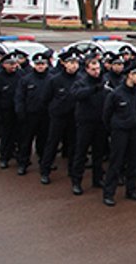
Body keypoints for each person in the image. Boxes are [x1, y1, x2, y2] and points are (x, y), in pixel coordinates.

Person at [102, 58, 136, 207]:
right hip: (120, 131)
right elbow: (106, 115)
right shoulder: (116, 94)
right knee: (116, 162)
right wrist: (114, 129)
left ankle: (131, 189)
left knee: (133, 161)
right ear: (129, 75)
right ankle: (109, 193)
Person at [69, 51, 111, 195]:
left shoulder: (104, 81)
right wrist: (94, 89)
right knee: (81, 152)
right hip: (85, 122)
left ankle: (97, 178)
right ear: (87, 69)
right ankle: (76, 181)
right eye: (93, 69)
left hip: (100, 122)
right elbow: (76, 94)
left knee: (98, 153)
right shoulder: (80, 82)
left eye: (98, 68)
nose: (96, 72)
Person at [39, 50, 81, 185]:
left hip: (74, 117)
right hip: (58, 116)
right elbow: (45, 98)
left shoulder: (81, 79)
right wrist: (54, 109)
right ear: (64, 64)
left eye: (75, 62)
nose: (73, 65)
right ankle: (45, 171)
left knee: (73, 144)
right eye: (70, 62)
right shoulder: (55, 80)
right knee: (52, 143)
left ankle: (72, 169)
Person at [15, 50, 53, 176]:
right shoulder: (26, 79)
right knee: (26, 141)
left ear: (46, 64)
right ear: (34, 65)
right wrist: (20, 112)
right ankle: (23, 163)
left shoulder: (52, 79)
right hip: (30, 115)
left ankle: (44, 162)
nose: (40, 66)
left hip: (46, 116)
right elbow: (20, 97)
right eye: (38, 64)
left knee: (44, 141)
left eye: (42, 64)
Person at [0, 51, 24, 166]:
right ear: (4, 64)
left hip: (16, 110)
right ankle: (0, 156)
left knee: (17, 134)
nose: (14, 66)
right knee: (3, 134)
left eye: (15, 63)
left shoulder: (20, 74)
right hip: (3, 111)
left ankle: (15, 154)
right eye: (11, 64)